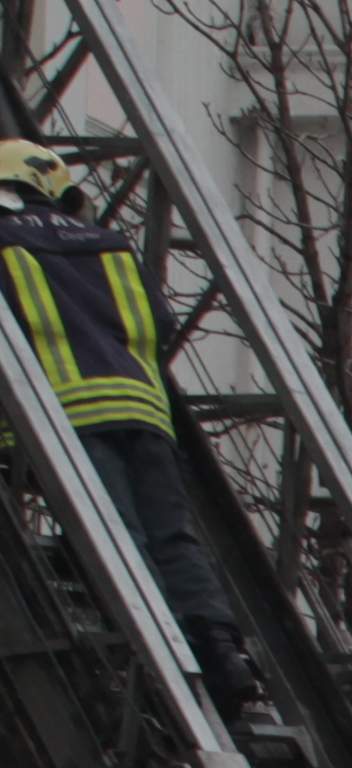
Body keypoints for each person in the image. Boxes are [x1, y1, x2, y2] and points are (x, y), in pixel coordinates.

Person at [0, 143, 250, 701]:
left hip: (68, 417)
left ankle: (162, 660)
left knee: (117, 539)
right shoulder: (112, 247)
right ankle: (220, 650)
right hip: (143, 411)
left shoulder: (4, 242)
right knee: (172, 536)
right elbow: (157, 322)